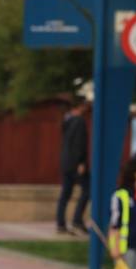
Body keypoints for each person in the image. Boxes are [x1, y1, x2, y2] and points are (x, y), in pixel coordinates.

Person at [56, 98, 90, 235]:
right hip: (76, 163)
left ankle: (60, 223)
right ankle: (77, 220)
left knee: (65, 193)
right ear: (80, 107)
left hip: (65, 162)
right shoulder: (79, 121)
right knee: (88, 189)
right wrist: (81, 162)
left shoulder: (66, 121)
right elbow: (79, 144)